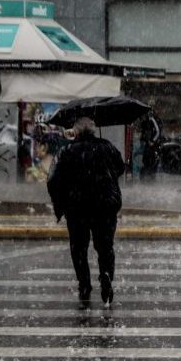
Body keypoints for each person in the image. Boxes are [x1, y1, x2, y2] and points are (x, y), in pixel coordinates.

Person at [48, 117, 126, 307]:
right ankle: (106, 274)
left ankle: (84, 284)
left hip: (77, 209)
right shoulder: (106, 147)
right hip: (104, 207)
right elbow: (121, 167)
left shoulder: (66, 151)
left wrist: (60, 205)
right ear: (92, 131)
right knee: (105, 247)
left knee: (79, 249)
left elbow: (53, 180)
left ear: (75, 132)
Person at [138, 109, 162, 181]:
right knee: (146, 161)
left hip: (151, 145)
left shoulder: (151, 120)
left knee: (150, 161)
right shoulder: (144, 121)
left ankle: (150, 178)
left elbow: (158, 131)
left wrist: (152, 141)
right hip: (147, 145)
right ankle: (147, 178)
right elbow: (144, 133)